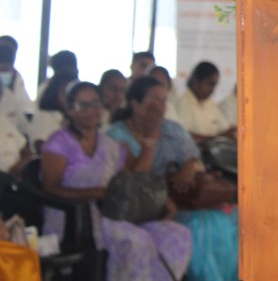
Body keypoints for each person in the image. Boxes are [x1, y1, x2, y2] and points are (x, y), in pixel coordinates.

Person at [40, 81, 192, 281]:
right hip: (76, 217)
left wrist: (163, 201)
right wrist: (95, 193)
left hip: (113, 212)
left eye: (95, 103)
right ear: (69, 109)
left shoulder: (110, 145)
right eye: (82, 105)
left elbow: (136, 179)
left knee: (177, 234)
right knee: (136, 241)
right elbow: (50, 188)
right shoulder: (59, 142)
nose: (90, 110)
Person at [108, 77, 239, 281]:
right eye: (154, 101)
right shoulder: (116, 135)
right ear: (135, 104)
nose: (160, 107)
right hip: (144, 206)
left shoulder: (171, 128)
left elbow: (195, 159)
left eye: (163, 100)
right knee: (200, 225)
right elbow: (135, 180)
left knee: (228, 218)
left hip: (182, 198)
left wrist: (188, 167)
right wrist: (150, 139)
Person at [175, 62, 235, 144]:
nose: (212, 89)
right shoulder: (183, 103)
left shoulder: (209, 103)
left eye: (215, 85)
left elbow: (224, 128)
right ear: (195, 81)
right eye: (210, 84)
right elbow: (184, 137)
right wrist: (218, 137)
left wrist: (231, 132)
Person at [29, 69, 78, 154]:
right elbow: (41, 146)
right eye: (65, 93)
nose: (69, 99)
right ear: (55, 93)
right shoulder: (44, 116)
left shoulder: (72, 117)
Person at [0, 37, 33, 134]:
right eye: (1, 70)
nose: (4, 74)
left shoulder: (16, 81)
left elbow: (24, 123)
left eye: (7, 70)